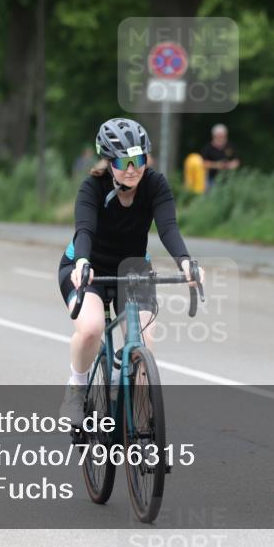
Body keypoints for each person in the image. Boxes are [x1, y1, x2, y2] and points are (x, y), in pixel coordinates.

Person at [58, 118, 203, 423]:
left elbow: (168, 228)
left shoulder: (155, 184)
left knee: (144, 341)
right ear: (108, 162)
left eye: (138, 160)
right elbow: (83, 230)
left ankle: (139, 424)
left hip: (133, 269)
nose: (132, 168)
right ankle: (77, 388)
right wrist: (82, 262)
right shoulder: (92, 188)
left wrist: (186, 262)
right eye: (123, 161)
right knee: (92, 329)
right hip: (87, 268)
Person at [200, 124, 240, 189]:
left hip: (227, 180)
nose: (221, 138)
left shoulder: (229, 146)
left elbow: (236, 161)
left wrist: (229, 165)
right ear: (214, 136)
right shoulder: (207, 148)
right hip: (211, 179)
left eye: (223, 136)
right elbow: (203, 163)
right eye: (219, 136)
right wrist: (217, 165)